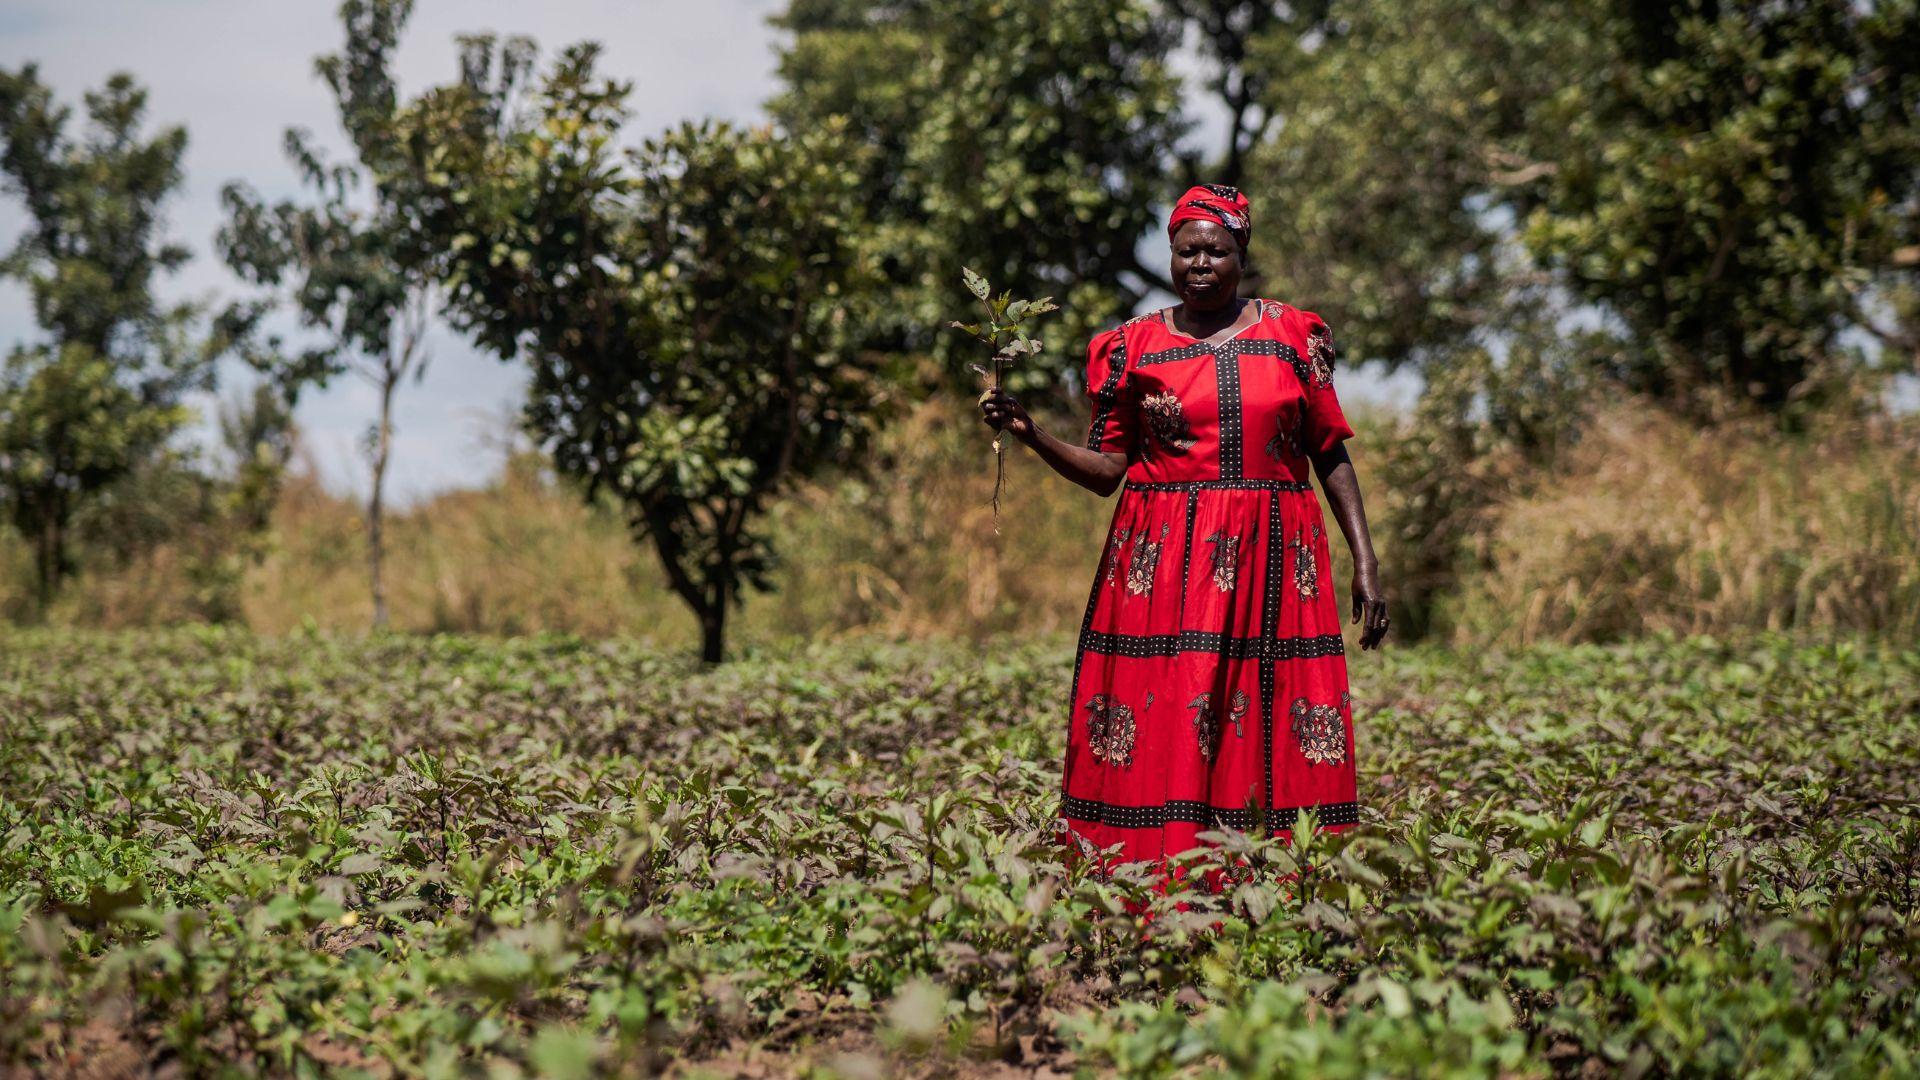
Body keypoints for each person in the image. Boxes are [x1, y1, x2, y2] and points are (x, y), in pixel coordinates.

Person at [979, 184, 1389, 870]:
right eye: (1186, 250)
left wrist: (1366, 563)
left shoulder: (1293, 335)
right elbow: (1109, 468)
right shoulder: (1130, 347)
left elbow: (1328, 451)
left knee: (1266, 706)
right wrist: (1030, 433)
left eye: (1217, 251)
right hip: (1163, 565)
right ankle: (1156, 877)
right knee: (1172, 709)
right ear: (1170, 255)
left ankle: (1278, 879)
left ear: (1242, 254)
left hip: (1275, 556)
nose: (1201, 263)